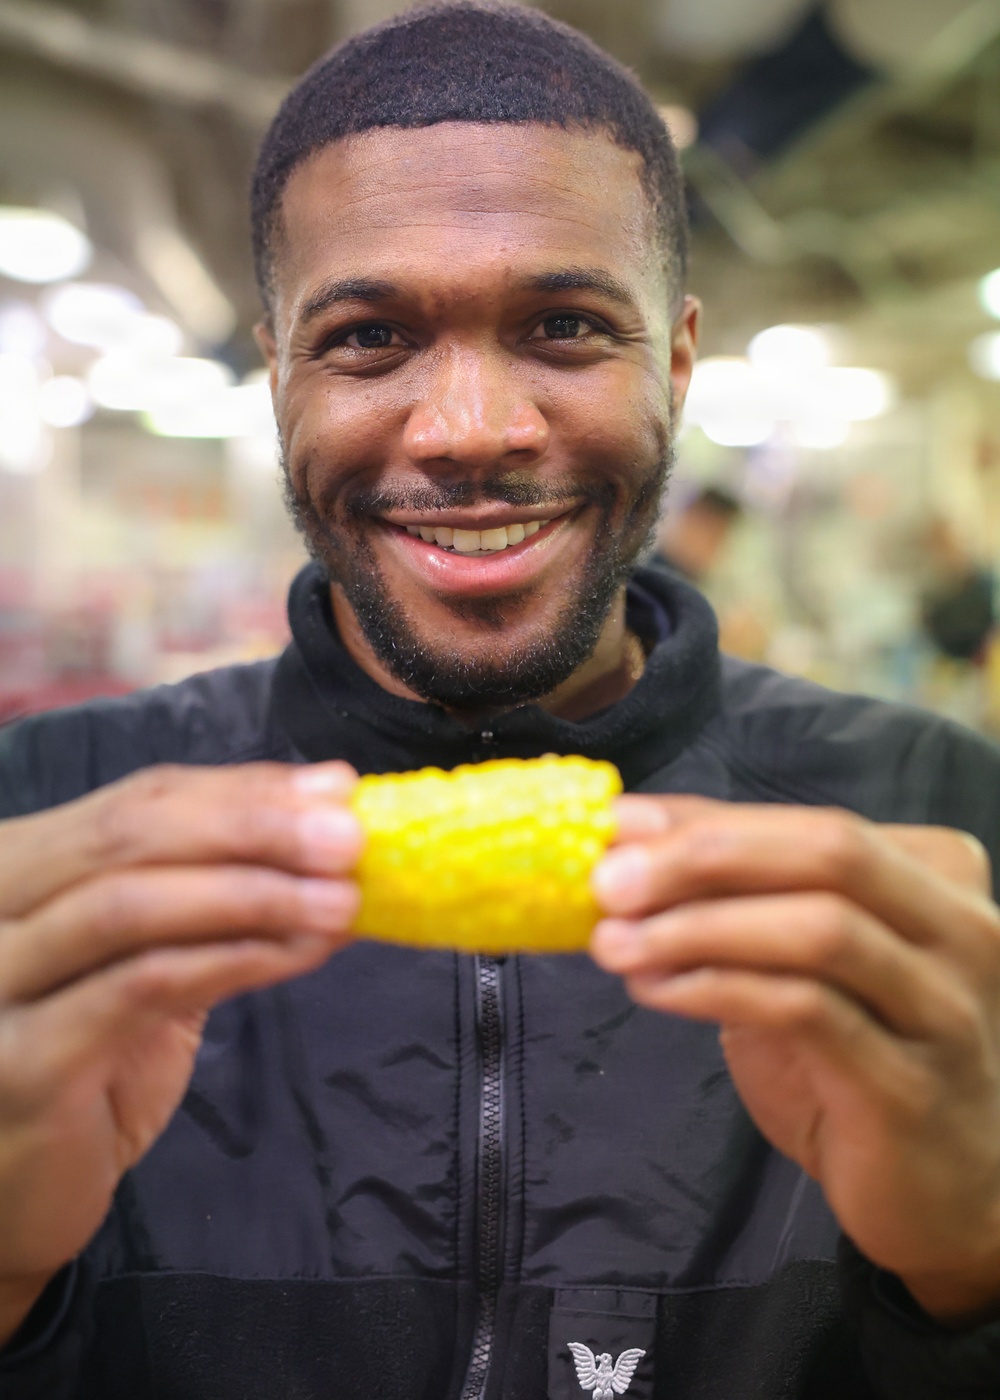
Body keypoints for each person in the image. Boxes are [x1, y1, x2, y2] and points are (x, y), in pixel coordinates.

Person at [1, 5, 1000, 1397]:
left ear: (677, 365)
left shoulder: (945, 826)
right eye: (369, 337)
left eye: (564, 326)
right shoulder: (38, 824)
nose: (471, 430)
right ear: (277, 375)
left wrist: (970, 1274)